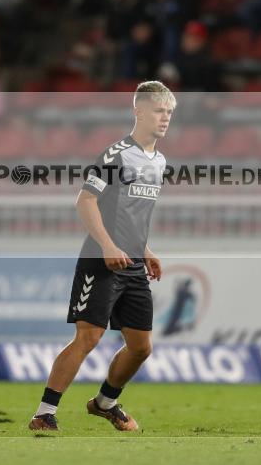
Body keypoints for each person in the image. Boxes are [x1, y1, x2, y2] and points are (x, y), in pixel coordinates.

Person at [30, 80, 173, 432]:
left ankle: (105, 402)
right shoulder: (116, 155)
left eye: (169, 112)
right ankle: (44, 413)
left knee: (141, 347)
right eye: (158, 110)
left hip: (134, 263)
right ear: (138, 111)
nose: (165, 117)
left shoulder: (160, 161)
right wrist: (108, 246)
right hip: (101, 260)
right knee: (89, 337)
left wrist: (146, 249)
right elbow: (86, 200)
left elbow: (131, 213)